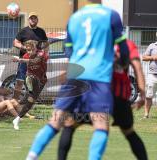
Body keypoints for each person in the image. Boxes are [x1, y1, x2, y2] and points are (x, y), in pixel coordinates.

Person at [25, 1, 130, 160]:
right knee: (100, 125)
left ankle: (31, 157)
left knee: (55, 121)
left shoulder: (74, 18)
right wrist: (121, 63)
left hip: (75, 75)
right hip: (98, 77)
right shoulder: (112, 16)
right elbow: (123, 49)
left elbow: (69, 50)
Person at [57, 40, 148, 160]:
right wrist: (142, 93)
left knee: (70, 125)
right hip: (119, 96)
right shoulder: (127, 44)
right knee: (129, 132)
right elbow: (138, 68)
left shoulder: (97, 41)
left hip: (97, 93)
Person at [12, 40, 49, 130]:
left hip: (42, 80)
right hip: (31, 78)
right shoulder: (26, 55)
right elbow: (24, 65)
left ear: (36, 48)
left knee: (31, 100)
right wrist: (18, 61)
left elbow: (35, 61)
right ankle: (15, 111)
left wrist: (20, 59)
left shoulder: (41, 54)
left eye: (31, 49)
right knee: (31, 78)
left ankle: (17, 117)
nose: (29, 52)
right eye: (28, 50)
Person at [13, 12, 48, 100]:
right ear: (28, 20)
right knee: (19, 82)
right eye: (31, 18)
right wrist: (24, 47)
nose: (33, 20)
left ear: (37, 20)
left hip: (36, 62)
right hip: (24, 60)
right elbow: (15, 42)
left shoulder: (41, 31)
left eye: (34, 18)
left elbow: (46, 44)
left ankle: (26, 106)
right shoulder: (23, 31)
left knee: (33, 85)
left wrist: (44, 54)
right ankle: (14, 103)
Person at [142, 38, 157, 118]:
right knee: (149, 96)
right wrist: (153, 57)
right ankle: (146, 114)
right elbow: (144, 57)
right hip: (153, 75)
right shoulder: (152, 46)